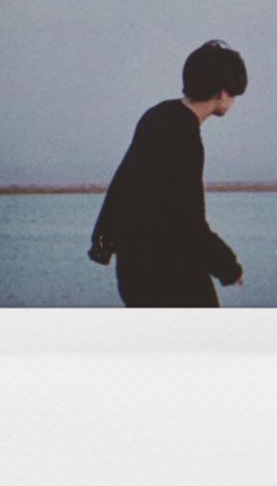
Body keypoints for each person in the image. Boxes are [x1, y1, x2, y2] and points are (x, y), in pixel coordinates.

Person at [88, 40, 247, 307]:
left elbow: (121, 184)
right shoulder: (185, 136)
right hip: (169, 274)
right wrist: (229, 268)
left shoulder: (157, 115)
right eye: (234, 94)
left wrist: (102, 244)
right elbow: (189, 222)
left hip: (132, 271)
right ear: (221, 93)